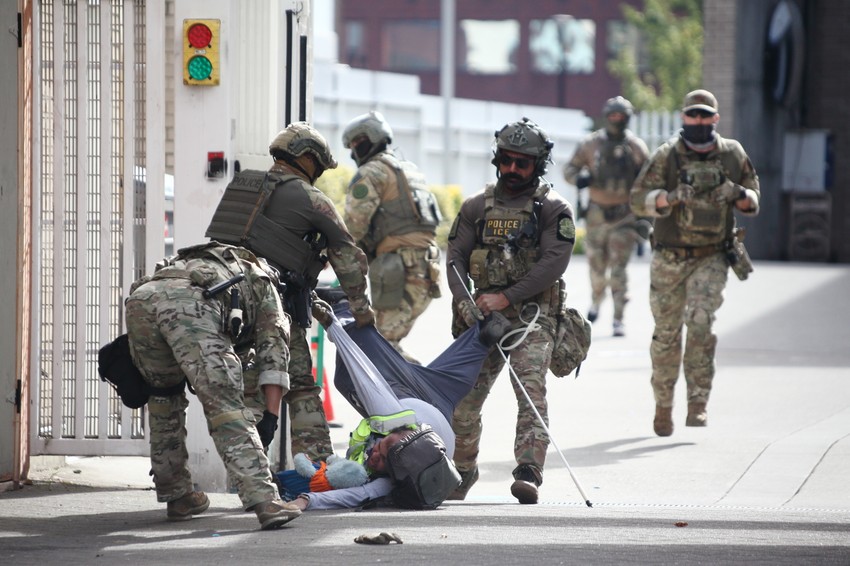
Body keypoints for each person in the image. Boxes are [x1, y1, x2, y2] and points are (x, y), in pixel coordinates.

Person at [205, 122, 374, 461]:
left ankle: (248, 474)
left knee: (249, 388)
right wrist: (362, 309)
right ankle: (317, 465)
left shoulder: (244, 185)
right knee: (300, 386)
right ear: (308, 159)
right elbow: (347, 256)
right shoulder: (312, 198)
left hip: (228, 300)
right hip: (273, 303)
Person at [124, 242, 302, 530]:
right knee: (225, 406)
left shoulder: (207, 264)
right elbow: (274, 358)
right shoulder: (265, 283)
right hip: (190, 304)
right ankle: (266, 501)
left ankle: (178, 496)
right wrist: (270, 417)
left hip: (141, 300)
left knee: (163, 397)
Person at [445, 118, 576, 504]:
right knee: (464, 400)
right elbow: (454, 259)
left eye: (523, 163)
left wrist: (507, 297)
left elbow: (554, 262)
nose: (513, 170)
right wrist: (466, 303)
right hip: (484, 320)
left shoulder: (553, 208)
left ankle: (528, 472)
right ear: (497, 159)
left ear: (539, 165)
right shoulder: (476, 206)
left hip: (533, 317)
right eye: (507, 160)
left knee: (530, 393)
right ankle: (461, 472)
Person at [284, 298, 509, 510]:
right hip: (411, 395)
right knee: (352, 372)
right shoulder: (392, 418)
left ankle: (482, 337)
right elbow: (362, 370)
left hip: (440, 404)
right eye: (380, 451)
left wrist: (306, 500)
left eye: (380, 457)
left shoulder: (400, 468)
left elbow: (357, 495)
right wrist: (333, 325)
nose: (373, 456)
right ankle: (344, 307)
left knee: (455, 376)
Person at [630, 89, 760, 437]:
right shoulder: (667, 155)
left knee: (701, 323)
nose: (699, 121)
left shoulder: (732, 154)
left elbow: (753, 199)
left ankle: (698, 403)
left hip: (712, 256)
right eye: (693, 115)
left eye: (705, 116)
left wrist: (738, 194)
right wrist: (668, 199)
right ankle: (663, 406)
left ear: (715, 119)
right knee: (667, 335)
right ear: (683, 117)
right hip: (670, 258)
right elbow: (637, 200)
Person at [341, 111, 442, 363]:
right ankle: (416, 391)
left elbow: (352, 227)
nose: (353, 152)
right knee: (384, 344)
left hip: (402, 270)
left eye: (355, 144)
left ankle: (422, 392)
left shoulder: (373, 172)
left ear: (369, 139)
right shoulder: (407, 169)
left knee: (378, 348)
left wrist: (326, 255)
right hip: (425, 269)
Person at [563, 96, 650, 337]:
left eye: (620, 117)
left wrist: (646, 219)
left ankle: (618, 318)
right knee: (597, 268)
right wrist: (579, 178)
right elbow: (569, 169)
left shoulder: (636, 147)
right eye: (612, 116)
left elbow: (650, 181)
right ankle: (596, 300)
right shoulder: (591, 144)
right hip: (596, 216)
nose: (616, 121)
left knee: (619, 270)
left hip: (624, 217)